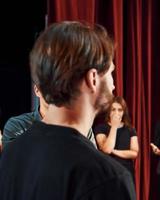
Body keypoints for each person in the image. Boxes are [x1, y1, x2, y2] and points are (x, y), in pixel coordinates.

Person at [0, 21, 136, 200]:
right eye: (110, 72)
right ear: (92, 78)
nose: (113, 84)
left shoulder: (12, 154)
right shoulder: (108, 178)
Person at [2, 85, 97, 149]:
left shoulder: (80, 126)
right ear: (37, 90)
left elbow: (92, 165)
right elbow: (16, 165)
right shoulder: (18, 125)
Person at [94, 96, 139, 182]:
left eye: (120, 110)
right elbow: (107, 149)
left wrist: (114, 151)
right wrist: (114, 126)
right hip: (108, 171)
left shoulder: (130, 129)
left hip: (126, 172)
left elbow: (134, 153)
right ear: (109, 111)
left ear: (123, 112)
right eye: (113, 109)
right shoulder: (100, 128)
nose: (116, 113)